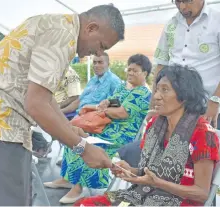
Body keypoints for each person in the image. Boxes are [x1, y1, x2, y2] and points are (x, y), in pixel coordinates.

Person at [0, 5, 125, 206]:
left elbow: (45, 98)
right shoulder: (62, 36)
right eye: (101, 45)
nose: (97, 53)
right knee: (3, 199)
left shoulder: (57, 25)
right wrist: (82, 149)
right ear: (91, 28)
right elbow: (36, 104)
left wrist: (69, 129)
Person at [74, 65, 220, 206]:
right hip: (143, 195)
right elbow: (150, 174)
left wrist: (157, 183)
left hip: (180, 203)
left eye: (165, 90)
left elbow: (201, 194)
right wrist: (130, 171)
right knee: (84, 204)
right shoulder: (155, 125)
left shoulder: (202, 134)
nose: (156, 96)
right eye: (157, 90)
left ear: (185, 96)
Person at [45, 54, 152, 204]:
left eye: (135, 71)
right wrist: (104, 103)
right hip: (105, 128)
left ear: (145, 73)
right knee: (74, 140)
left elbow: (122, 113)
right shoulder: (123, 87)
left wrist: (102, 110)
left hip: (121, 136)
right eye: (129, 69)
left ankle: (77, 188)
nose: (130, 73)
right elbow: (112, 103)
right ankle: (67, 178)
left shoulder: (144, 93)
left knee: (88, 147)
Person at [153, 0, 220, 130]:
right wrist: (154, 101)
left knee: (208, 147)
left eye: (187, 1)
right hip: (176, 108)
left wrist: (215, 100)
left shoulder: (218, 22)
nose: (182, 7)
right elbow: (161, 64)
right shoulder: (171, 24)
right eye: (177, 1)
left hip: (210, 108)